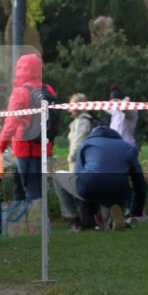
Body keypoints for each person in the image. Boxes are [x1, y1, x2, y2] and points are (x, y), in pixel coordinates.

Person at [0, 54, 56, 201]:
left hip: (25, 149)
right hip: (44, 147)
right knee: (41, 191)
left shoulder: (20, 92)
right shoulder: (49, 90)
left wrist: (0, 149)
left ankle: (37, 223)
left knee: (31, 191)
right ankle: (44, 221)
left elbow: (10, 125)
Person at [75, 124, 148, 231]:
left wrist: (93, 208)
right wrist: (135, 211)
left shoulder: (86, 144)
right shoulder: (128, 147)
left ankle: (76, 219)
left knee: (61, 178)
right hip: (119, 192)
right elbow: (140, 183)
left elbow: (79, 173)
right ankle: (116, 220)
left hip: (91, 187)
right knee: (111, 192)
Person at [54, 93, 99, 230]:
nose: (69, 108)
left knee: (71, 188)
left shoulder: (83, 121)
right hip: (83, 165)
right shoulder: (82, 121)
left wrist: (70, 157)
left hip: (79, 164)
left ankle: (75, 219)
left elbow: (78, 144)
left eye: (72, 105)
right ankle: (84, 220)